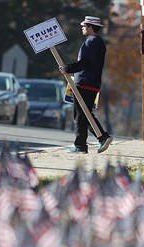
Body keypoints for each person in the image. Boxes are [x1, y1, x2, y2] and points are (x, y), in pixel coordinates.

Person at [59, 16, 113, 154]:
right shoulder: (99, 42)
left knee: (80, 115)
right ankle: (101, 138)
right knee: (85, 114)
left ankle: (82, 145)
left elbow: (84, 62)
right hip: (92, 84)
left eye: (84, 26)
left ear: (90, 27)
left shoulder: (91, 42)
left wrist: (68, 68)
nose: (82, 28)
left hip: (84, 83)